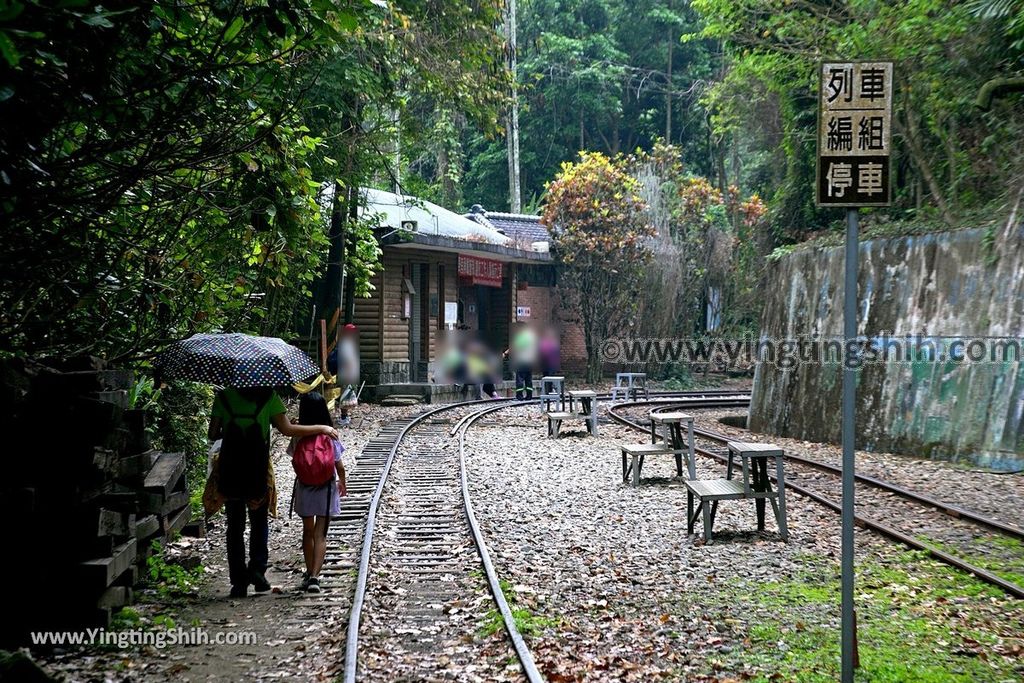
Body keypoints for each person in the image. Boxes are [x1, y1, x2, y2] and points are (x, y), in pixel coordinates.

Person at [208, 387, 339, 598]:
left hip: (230, 468)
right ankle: (258, 572)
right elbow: (287, 429)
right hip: (256, 468)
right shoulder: (268, 396)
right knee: (259, 521)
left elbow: (212, 434)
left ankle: (238, 583)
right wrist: (321, 428)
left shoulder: (223, 397)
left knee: (234, 526)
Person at [288, 392, 347, 593]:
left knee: (308, 532)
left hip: (305, 487)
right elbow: (339, 466)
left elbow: (293, 458)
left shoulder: (298, 436)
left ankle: (308, 570)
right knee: (321, 534)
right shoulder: (330, 435)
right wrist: (343, 483)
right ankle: (315, 576)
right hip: (326, 488)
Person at [504, 322, 537, 400]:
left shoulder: (523, 337)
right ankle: (529, 396)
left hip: (522, 360)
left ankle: (519, 396)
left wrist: (505, 353)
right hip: (530, 361)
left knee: (520, 379)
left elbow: (515, 347)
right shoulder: (532, 336)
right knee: (528, 379)